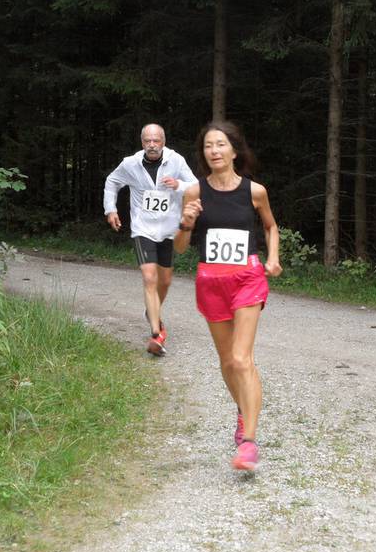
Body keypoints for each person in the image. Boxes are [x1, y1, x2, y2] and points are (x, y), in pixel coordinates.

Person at [174, 120, 282, 471]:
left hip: (247, 278)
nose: (214, 151)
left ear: (234, 150)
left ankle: (248, 442)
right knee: (226, 361)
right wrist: (186, 222)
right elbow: (180, 247)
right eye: (208, 146)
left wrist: (273, 257)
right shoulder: (194, 192)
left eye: (220, 144)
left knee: (240, 358)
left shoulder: (255, 191)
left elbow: (270, 226)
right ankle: (242, 409)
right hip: (211, 281)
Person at [104, 123, 198, 355]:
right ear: (142, 142)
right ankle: (157, 333)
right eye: (148, 141)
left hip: (168, 230)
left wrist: (179, 185)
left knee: (164, 281)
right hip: (143, 228)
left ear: (163, 141)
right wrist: (111, 209)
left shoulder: (176, 161)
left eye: (156, 140)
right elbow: (112, 181)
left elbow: (196, 186)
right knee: (149, 277)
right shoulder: (131, 163)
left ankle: (151, 311)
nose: (152, 145)